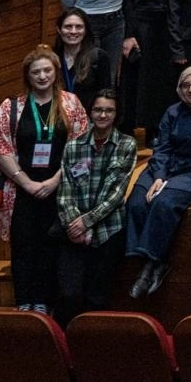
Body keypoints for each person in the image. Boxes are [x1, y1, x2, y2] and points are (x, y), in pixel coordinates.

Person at [0, 47, 90, 313]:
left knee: (50, 245)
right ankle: (24, 301)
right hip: (21, 188)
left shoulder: (71, 104)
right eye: (36, 72)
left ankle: (44, 301)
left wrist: (55, 181)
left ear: (55, 72)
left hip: (60, 187)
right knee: (23, 245)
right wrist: (27, 183)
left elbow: (82, 148)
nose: (42, 76)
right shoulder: (11, 107)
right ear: (28, 76)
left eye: (47, 70)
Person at [125, 66, 191, 300]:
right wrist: (159, 176)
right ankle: (145, 260)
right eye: (185, 85)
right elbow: (162, 147)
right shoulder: (172, 112)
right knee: (137, 201)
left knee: (164, 202)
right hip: (165, 167)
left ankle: (151, 264)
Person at [54, 89, 133, 322]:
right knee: (68, 294)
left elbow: (115, 194)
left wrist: (87, 222)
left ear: (116, 114)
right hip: (74, 232)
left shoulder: (126, 144)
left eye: (109, 110)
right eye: (98, 109)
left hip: (108, 230)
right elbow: (65, 191)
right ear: (90, 112)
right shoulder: (73, 146)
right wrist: (75, 224)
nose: (103, 115)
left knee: (97, 298)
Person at [122, 0, 180, 143]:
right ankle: (147, 129)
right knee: (145, 81)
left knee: (168, 79)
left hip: (171, 28)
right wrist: (129, 34)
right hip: (144, 27)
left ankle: (165, 127)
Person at [55, 9, 114, 118]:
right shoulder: (52, 58)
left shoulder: (98, 57)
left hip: (88, 120)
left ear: (85, 30)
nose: (73, 31)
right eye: (68, 26)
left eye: (79, 27)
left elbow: (105, 96)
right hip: (58, 119)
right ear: (59, 29)